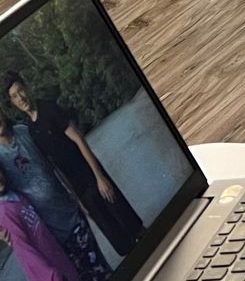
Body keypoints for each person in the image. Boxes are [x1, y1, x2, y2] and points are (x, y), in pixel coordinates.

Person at [6, 74, 143, 255]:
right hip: (80, 190)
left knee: (131, 224)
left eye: (21, 90)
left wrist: (100, 177)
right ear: (13, 103)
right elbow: (55, 167)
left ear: (27, 87)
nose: (21, 97)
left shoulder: (49, 108)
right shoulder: (31, 130)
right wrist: (78, 200)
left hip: (92, 175)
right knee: (119, 240)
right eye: (15, 96)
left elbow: (78, 139)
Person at [2, 107, 111, 281]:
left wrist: (78, 199)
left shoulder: (24, 131)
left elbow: (55, 164)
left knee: (104, 272)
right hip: (50, 236)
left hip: (70, 213)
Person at [0, 160, 89, 281]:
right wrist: (52, 277)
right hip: (53, 276)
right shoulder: (5, 213)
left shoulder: (16, 197)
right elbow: (25, 252)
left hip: (58, 261)